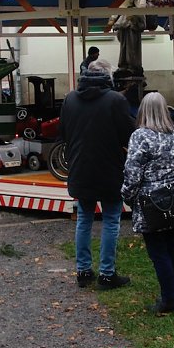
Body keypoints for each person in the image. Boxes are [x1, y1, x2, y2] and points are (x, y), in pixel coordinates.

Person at [60, 59, 136, 290]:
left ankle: (83, 271)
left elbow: (62, 132)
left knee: (84, 218)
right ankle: (106, 274)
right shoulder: (115, 100)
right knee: (111, 220)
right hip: (109, 169)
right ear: (108, 77)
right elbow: (128, 136)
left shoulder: (70, 99)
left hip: (80, 168)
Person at [121, 92, 174, 314]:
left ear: (143, 110)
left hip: (153, 204)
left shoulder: (141, 136)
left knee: (158, 251)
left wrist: (127, 196)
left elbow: (132, 173)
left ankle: (169, 299)